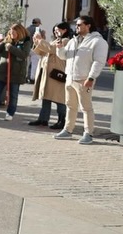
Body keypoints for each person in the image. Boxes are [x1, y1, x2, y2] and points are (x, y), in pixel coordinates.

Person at [54, 15, 109, 145]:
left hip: (84, 79)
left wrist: (91, 77)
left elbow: (99, 61)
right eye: (76, 25)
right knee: (70, 105)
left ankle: (88, 133)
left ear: (88, 25)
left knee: (86, 107)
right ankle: (68, 130)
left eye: (79, 25)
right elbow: (64, 56)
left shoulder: (98, 41)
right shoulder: (73, 40)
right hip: (70, 78)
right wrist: (59, 48)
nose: (76, 27)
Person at [28, 22, 72, 129]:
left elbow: (52, 49)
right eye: (55, 30)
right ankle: (43, 119)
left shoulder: (66, 41)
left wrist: (40, 40)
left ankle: (62, 120)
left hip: (57, 74)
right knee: (46, 97)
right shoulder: (54, 41)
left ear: (64, 30)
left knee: (59, 98)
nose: (55, 32)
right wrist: (37, 41)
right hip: (48, 74)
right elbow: (41, 51)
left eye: (58, 30)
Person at [0, 24, 31, 121]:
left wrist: (11, 48)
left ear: (19, 32)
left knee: (13, 95)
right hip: (2, 71)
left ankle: (10, 113)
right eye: (10, 32)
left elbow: (24, 55)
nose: (11, 34)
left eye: (14, 32)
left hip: (16, 72)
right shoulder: (7, 40)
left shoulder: (26, 41)